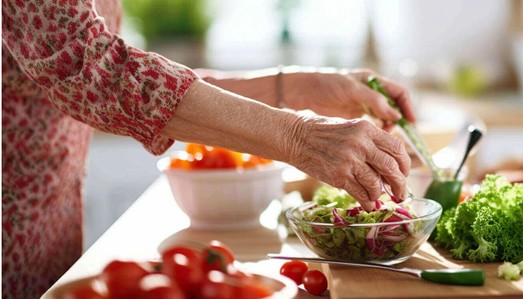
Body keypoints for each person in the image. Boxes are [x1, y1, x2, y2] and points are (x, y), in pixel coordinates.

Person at [1, 1, 414, 297]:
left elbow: (143, 79)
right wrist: (298, 135)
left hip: (48, 225)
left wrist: (295, 87)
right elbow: (98, 72)